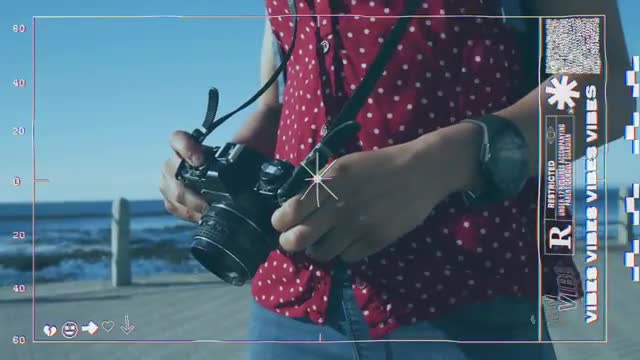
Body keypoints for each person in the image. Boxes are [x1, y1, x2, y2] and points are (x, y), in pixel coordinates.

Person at [160, 1, 633, 359]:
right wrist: (225, 165)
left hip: (466, 301)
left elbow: (598, 85)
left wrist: (434, 166)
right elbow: (280, 104)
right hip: (289, 307)